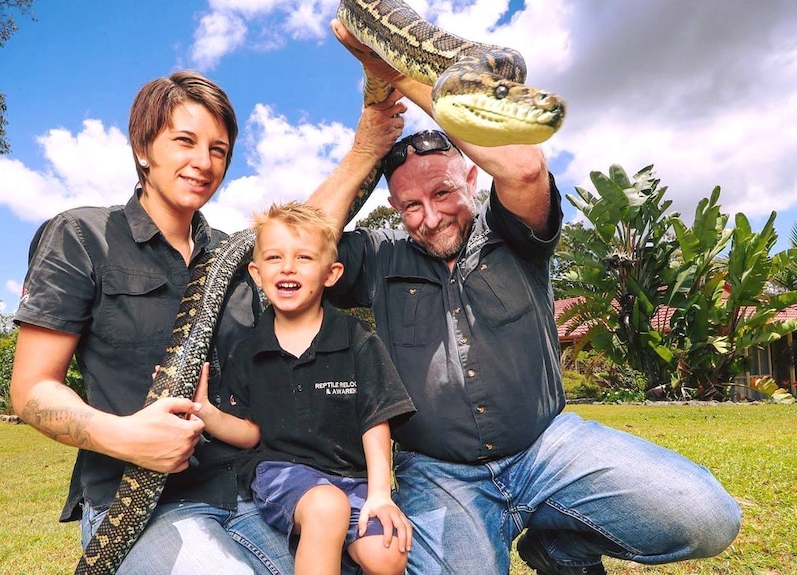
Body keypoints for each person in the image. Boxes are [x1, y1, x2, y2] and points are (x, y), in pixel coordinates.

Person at [307, 21, 743, 575]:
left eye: (442, 192)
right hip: (440, 474)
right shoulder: (380, 253)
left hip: (546, 446)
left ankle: (557, 548)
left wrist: (398, 76)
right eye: (409, 206)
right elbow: (300, 247)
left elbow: (524, 164)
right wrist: (366, 147)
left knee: (705, 514)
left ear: (470, 175)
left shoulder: (511, 226)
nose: (429, 216)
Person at [11, 70, 306, 575]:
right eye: (185, 141)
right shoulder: (83, 235)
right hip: (145, 507)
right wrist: (123, 436)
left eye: (218, 149)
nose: (203, 162)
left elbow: (311, 235)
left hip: (251, 491)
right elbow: (32, 388)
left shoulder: (240, 259)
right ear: (143, 146)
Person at [192, 201, 416, 575]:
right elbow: (249, 434)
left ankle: (330, 550)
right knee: (326, 507)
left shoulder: (357, 338)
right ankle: (320, 540)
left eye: (304, 257)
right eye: (275, 257)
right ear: (257, 271)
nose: (288, 267)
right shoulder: (248, 351)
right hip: (279, 470)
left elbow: (376, 420)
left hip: (352, 476)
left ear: (332, 273)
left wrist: (380, 494)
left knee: (387, 556)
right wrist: (207, 413)